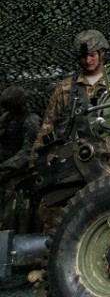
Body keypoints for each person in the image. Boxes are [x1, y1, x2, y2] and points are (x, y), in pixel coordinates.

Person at [30, 29, 110, 161]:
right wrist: (35, 162)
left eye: (92, 55)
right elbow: (47, 127)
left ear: (102, 52)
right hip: (78, 156)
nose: (88, 60)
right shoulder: (65, 88)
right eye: (83, 57)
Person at [0, 85, 40, 232]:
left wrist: (5, 166)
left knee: (17, 218)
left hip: (23, 177)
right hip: (6, 175)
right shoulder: (5, 119)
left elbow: (29, 152)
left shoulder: (31, 121)